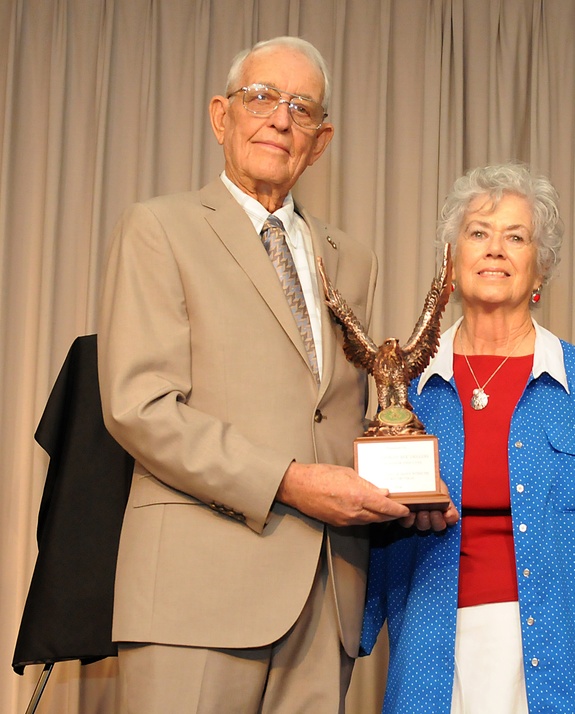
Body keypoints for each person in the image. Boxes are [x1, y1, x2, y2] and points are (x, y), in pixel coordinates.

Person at [97, 36, 414, 713]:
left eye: (301, 108)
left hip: (325, 599)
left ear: (320, 141)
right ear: (221, 116)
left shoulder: (349, 258)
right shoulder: (159, 228)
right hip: (194, 595)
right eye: (262, 98)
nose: (280, 119)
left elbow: (343, 411)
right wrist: (290, 483)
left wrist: (410, 485)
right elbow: (139, 407)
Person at [360, 162, 575, 713]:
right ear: (451, 265)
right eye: (478, 233)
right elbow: (369, 531)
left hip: (564, 653)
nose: (495, 249)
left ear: (540, 270)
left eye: (516, 236)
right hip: (433, 645)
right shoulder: (407, 387)